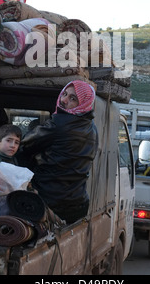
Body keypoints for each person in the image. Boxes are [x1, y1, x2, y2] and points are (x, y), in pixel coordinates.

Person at [18, 80, 98, 223]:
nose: (64, 100)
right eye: (64, 94)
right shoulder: (92, 128)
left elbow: (25, 146)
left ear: (83, 103)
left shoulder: (60, 123)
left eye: (73, 98)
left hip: (50, 200)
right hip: (78, 203)